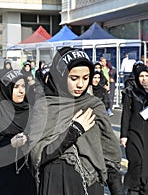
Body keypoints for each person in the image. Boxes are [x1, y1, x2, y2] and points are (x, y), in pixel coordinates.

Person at [28, 47, 124, 195]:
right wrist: (73, 131)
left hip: (90, 185)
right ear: (60, 76)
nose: (80, 84)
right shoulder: (45, 107)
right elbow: (37, 155)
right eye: (74, 78)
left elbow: (109, 154)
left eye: (86, 78)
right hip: (55, 184)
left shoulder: (94, 105)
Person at [0, 69, 37, 195]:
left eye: (23, 86)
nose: (21, 91)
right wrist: (9, 145)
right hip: (2, 178)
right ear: (4, 89)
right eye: (15, 87)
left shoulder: (31, 110)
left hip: (28, 177)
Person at [120, 64, 148, 195]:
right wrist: (123, 135)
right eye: (141, 76)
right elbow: (126, 114)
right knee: (137, 161)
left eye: (146, 76)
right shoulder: (130, 91)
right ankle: (133, 189)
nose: (144, 79)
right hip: (134, 132)